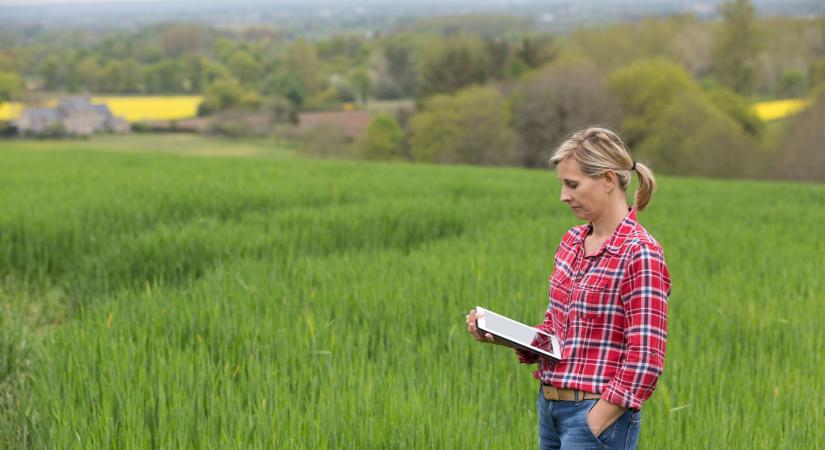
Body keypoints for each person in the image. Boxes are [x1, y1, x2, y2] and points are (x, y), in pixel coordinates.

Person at [466, 127, 671, 449]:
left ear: (607, 179)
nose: (563, 195)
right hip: (550, 408)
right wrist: (505, 335)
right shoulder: (572, 242)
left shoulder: (639, 253)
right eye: (563, 184)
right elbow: (556, 332)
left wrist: (597, 420)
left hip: (595, 415)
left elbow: (646, 358)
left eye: (572, 184)